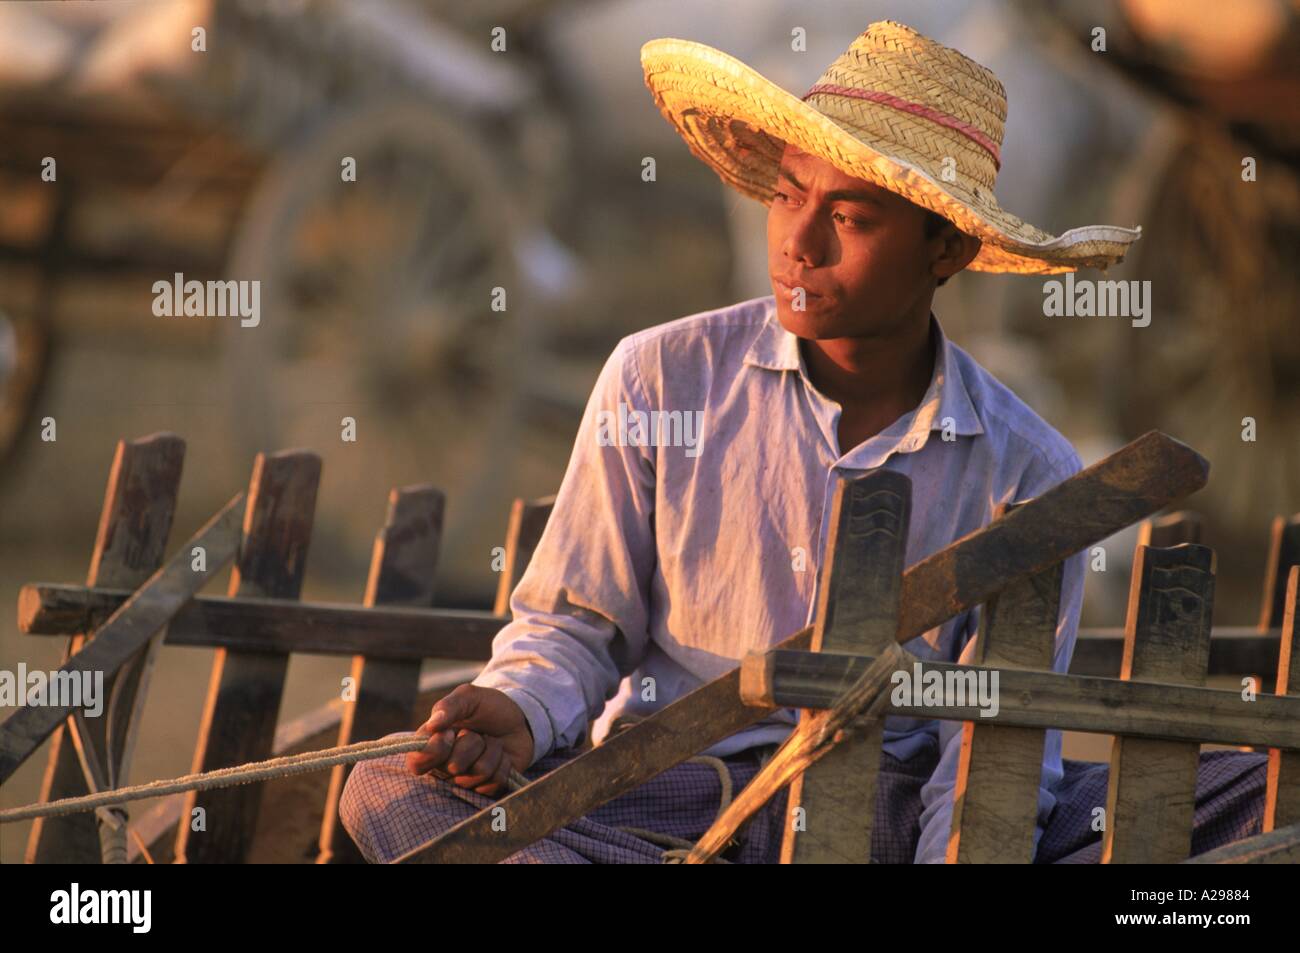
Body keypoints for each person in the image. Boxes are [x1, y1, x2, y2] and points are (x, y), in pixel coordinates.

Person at [340, 20, 1266, 864]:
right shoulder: (658, 377)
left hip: (889, 821)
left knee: (1252, 788)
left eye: (853, 219)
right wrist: (518, 711)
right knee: (387, 789)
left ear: (945, 250)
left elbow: (991, 746)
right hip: (665, 794)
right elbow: (575, 627)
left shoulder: (1028, 467)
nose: (798, 243)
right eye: (787, 197)